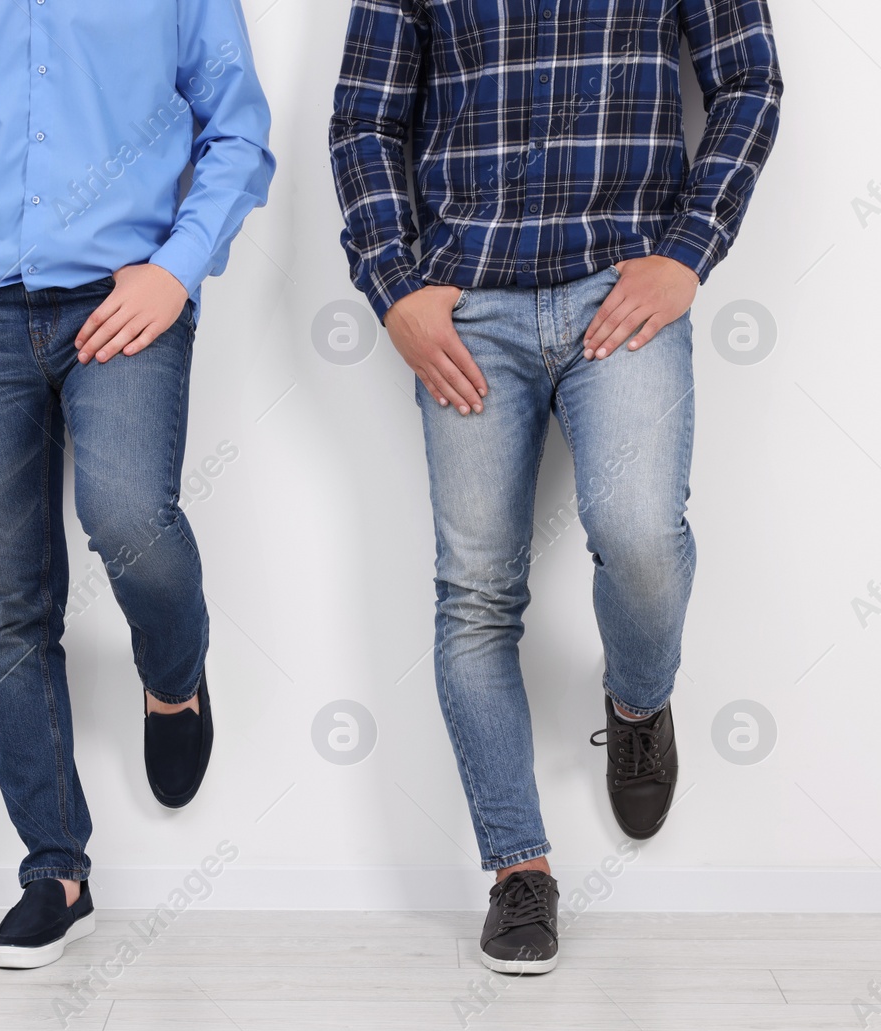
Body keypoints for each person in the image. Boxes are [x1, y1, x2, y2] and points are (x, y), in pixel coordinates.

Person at [329, 0, 781, 973]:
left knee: (640, 533)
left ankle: (634, 703)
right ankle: (517, 870)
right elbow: (365, 118)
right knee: (476, 594)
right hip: (468, 301)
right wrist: (391, 285)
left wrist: (687, 249)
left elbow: (748, 80)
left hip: (620, 287)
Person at [0, 1, 274, 969]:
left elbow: (237, 126)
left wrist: (178, 269)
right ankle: (54, 869)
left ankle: (173, 680)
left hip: (127, 295)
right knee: (11, 606)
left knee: (128, 516)